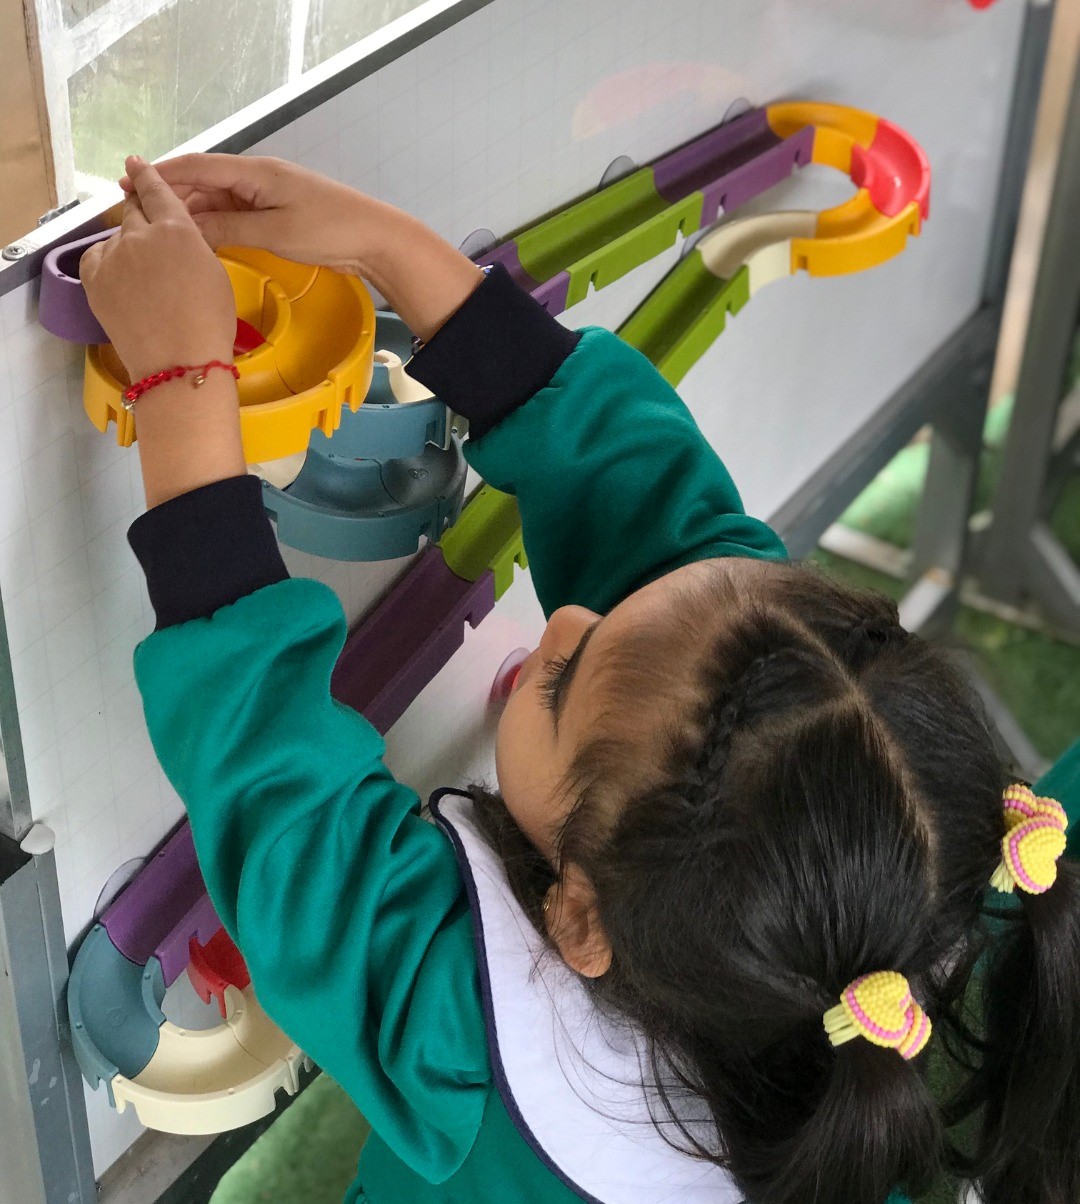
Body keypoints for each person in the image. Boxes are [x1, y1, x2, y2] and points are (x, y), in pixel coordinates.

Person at [81, 152, 1080, 1204]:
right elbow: (660, 515)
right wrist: (389, 247)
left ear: (582, 921)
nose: (562, 620)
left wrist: (178, 386)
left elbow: (278, 788)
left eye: (561, 686)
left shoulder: (464, 1040)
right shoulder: (865, 926)